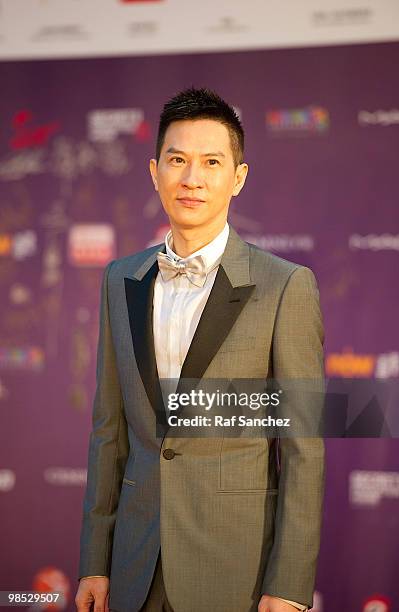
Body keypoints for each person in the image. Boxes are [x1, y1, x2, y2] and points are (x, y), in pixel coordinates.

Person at [75, 87, 325, 612]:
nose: (192, 178)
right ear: (154, 171)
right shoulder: (121, 278)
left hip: (236, 570)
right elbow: (109, 430)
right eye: (178, 160)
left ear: (237, 177)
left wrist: (289, 586)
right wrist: (95, 562)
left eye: (211, 162)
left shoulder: (284, 285)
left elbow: (303, 448)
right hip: (133, 568)